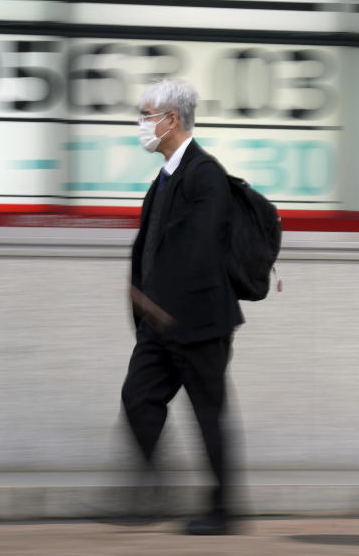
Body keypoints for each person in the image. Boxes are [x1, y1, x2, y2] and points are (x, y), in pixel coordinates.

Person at [121, 78, 243, 535]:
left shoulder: (204, 173)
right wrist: (141, 294)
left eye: (146, 115)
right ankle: (153, 489)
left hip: (199, 322)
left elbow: (201, 249)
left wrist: (165, 302)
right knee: (138, 397)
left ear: (171, 120)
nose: (141, 124)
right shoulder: (168, 175)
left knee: (209, 414)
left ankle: (222, 511)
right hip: (161, 321)